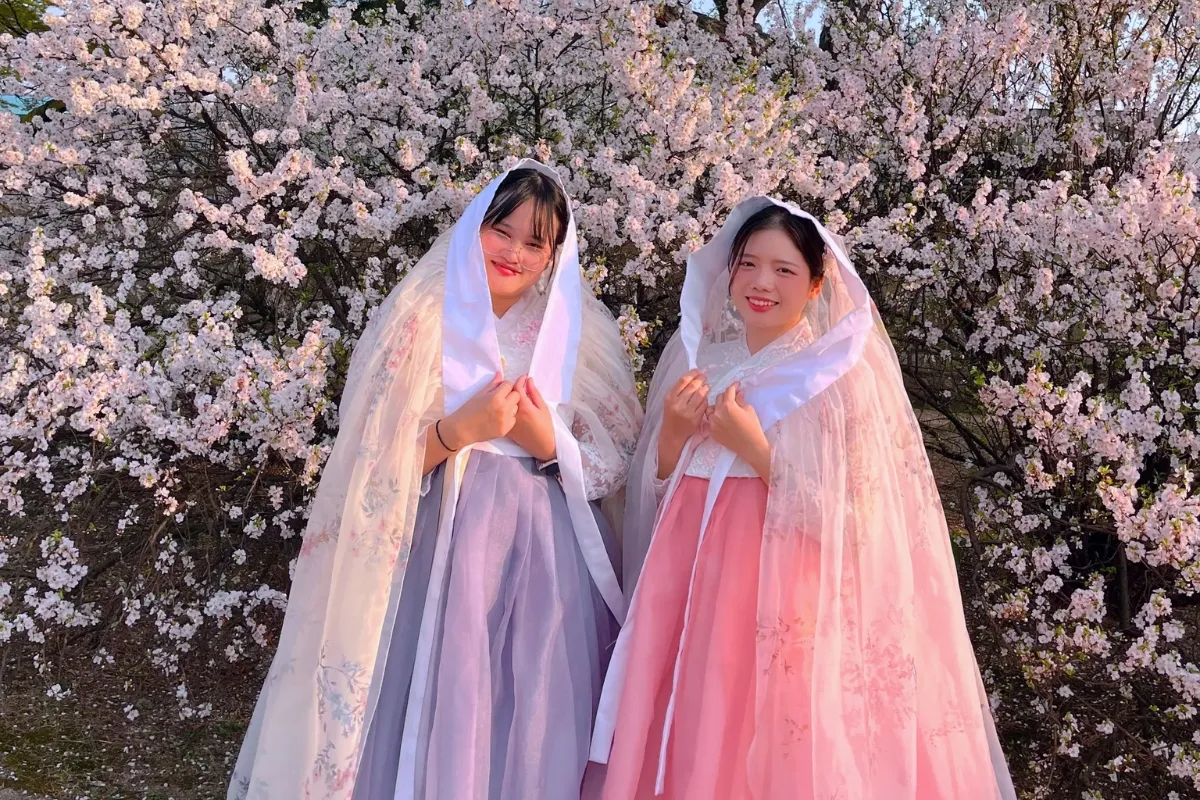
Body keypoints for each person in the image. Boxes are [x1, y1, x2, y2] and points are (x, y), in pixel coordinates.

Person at [230, 160, 643, 800]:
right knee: (421, 698)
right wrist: (458, 431)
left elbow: (614, 461)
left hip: (541, 560)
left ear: (555, 252)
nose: (513, 252)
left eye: (535, 242)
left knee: (524, 706)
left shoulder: (580, 334)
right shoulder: (422, 318)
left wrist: (547, 442)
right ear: (475, 224)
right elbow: (370, 459)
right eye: (501, 230)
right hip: (431, 549)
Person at [589, 198, 1015, 800]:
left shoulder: (835, 382)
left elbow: (858, 526)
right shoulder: (696, 363)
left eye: (784, 270)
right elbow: (659, 499)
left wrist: (757, 451)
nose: (762, 283)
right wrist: (673, 439)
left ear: (816, 285)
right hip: (686, 596)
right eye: (748, 264)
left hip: (777, 600)